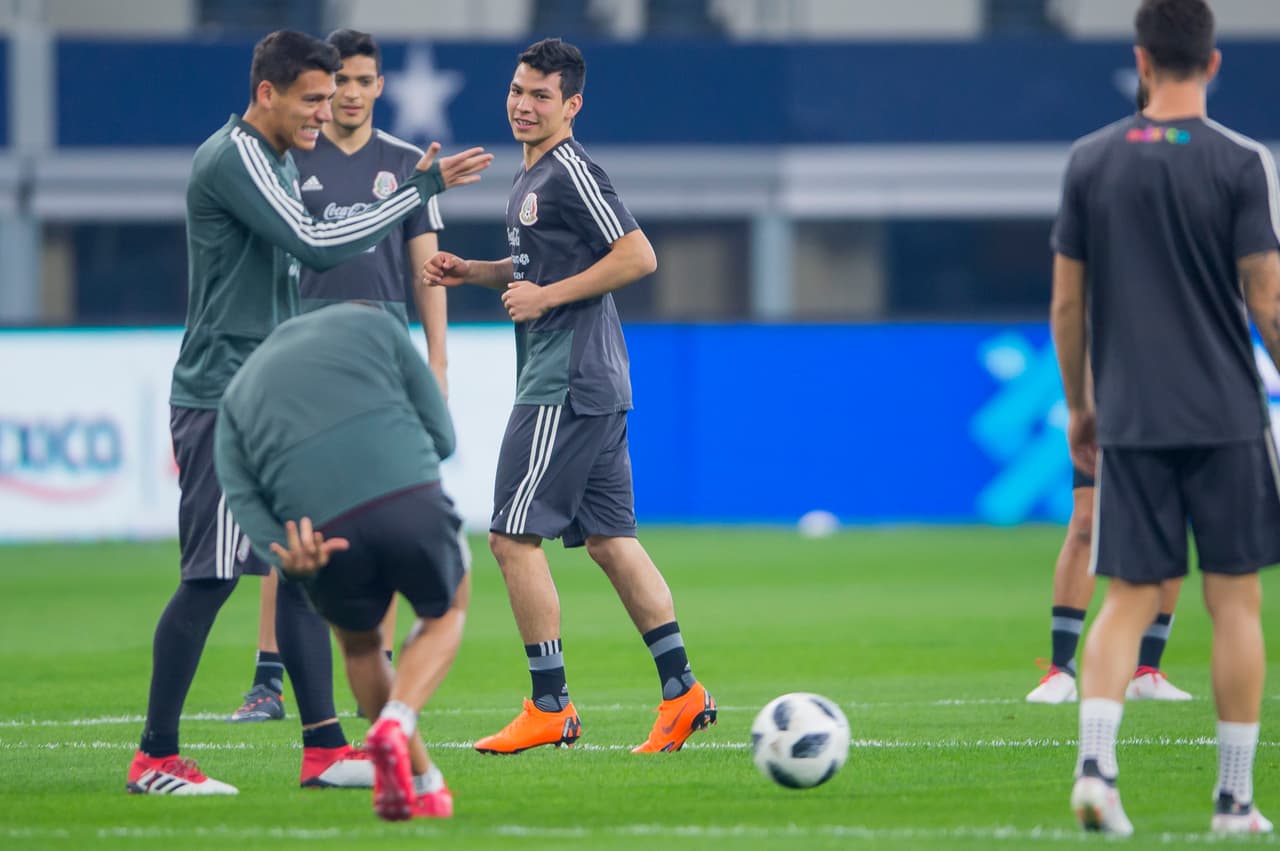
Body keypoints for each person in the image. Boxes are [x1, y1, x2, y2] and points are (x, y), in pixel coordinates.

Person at [125, 29, 491, 795]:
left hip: (272, 395)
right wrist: (416, 193)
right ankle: (155, 756)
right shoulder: (235, 159)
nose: (327, 112)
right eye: (314, 98)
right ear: (268, 93)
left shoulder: (277, 158)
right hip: (227, 397)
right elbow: (318, 244)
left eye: (334, 96)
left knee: (303, 568)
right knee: (211, 578)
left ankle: (324, 749)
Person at [422, 38, 716, 754]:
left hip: (566, 380)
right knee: (613, 543)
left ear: (572, 105)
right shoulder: (531, 178)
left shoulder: (570, 171)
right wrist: (479, 272)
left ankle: (550, 703)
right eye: (518, 90)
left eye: (541, 95)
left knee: (510, 537)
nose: (523, 104)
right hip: (596, 379)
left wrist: (545, 294)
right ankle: (683, 693)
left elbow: (638, 254)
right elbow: (536, 267)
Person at [1051, 0, 1280, 835]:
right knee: (1236, 603)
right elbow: (1269, 300)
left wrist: (1082, 405)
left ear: (1141, 62)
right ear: (1212, 64)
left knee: (1127, 596)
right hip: (1224, 412)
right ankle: (1233, 799)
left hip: (1131, 413)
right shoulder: (1241, 163)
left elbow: (1067, 301)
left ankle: (1097, 770)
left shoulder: (1091, 160)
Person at [228, 27, 450, 725]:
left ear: (380, 86)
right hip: (306, 342)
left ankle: (372, 665)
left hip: (384, 348)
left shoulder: (409, 163)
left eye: (361, 82)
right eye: (339, 83)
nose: (349, 95)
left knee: (372, 504)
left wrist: (437, 358)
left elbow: (427, 266)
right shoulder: (295, 154)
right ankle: (268, 676)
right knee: (298, 509)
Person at [215, 303, 468, 821]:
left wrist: (288, 559)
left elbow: (240, 494)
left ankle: (423, 782)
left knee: (359, 643)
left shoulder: (236, 393)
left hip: (320, 537)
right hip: (407, 497)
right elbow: (442, 438)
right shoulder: (375, 325)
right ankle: (396, 720)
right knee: (447, 609)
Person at [1026, 466, 1191, 704]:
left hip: (1178, 430)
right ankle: (1061, 669)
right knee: (1086, 522)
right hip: (1114, 429)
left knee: (1169, 522)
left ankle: (1147, 671)